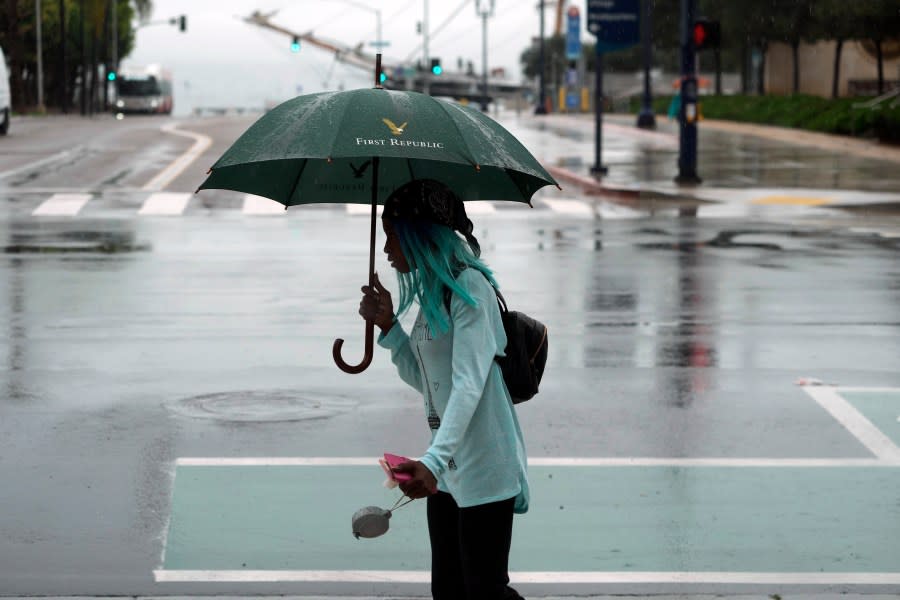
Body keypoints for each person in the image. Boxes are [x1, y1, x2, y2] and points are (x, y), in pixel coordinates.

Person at [359, 179, 529, 600]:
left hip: (485, 468)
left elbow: (469, 383)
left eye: (393, 236)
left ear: (419, 236)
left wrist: (432, 461)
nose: (386, 250)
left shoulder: (469, 287)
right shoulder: (437, 290)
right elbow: (433, 386)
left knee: (484, 592)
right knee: (450, 593)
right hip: (450, 471)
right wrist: (390, 329)